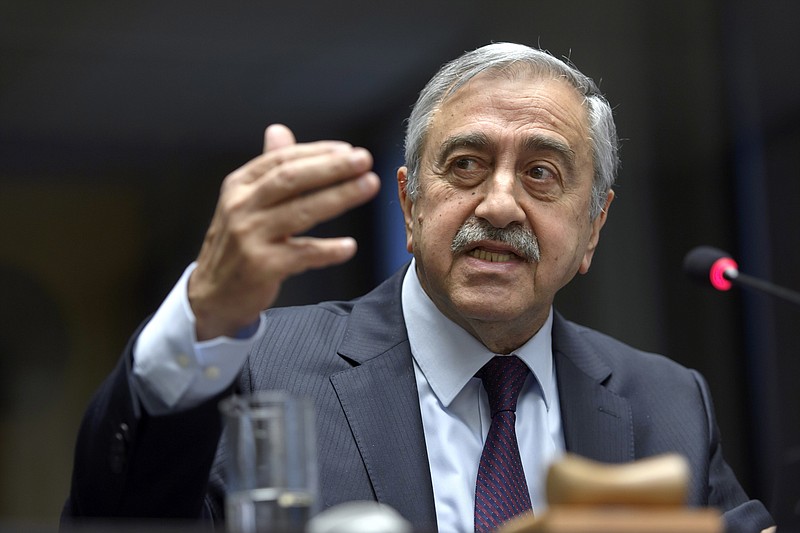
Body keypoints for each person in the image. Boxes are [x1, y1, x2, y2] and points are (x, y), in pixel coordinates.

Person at [63, 43, 774, 532]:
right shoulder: (258, 370)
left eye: (541, 173)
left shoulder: (666, 403)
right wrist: (206, 318)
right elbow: (116, 518)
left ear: (593, 226)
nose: (499, 204)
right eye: (465, 164)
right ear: (409, 205)